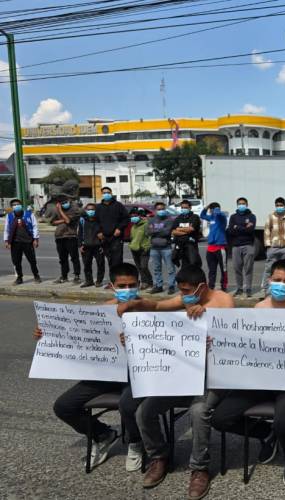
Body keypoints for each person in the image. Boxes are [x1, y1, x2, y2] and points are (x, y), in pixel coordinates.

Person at [119, 266, 234, 499]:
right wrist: (135, 305)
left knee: (198, 410)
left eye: (187, 291)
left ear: (202, 287)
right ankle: (159, 456)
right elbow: (159, 306)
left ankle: (199, 468)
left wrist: (203, 313)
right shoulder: (185, 300)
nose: (183, 295)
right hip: (182, 374)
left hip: (213, 376)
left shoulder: (224, 300)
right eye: (181, 292)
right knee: (144, 411)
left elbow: (228, 330)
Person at [211, 259, 285, 486]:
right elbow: (247, 342)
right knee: (220, 418)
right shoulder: (259, 308)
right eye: (277, 280)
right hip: (260, 378)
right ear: (269, 280)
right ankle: (264, 433)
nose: (281, 285)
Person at [34, 262, 145, 471]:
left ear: (139, 284)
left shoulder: (151, 310)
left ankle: (135, 442)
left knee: (127, 404)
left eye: (132, 285)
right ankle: (102, 434)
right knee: (64, 406)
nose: (127, 290)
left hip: (137, 374)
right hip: (106, 373)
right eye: (122, 286)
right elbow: (75, 335)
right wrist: (46, 334)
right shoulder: (103, 311)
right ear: (112, 286)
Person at [261, 197, 285, 296]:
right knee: (269, 269)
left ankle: (283, 289)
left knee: (284, 270)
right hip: (273, 247)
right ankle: (267, 290)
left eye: (281, 205)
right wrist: (268, 245)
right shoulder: (271, 216)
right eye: (277, 205)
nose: (279, 207)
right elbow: (267, 230)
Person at [3, 198, 41, 285]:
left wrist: (35, 239)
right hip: (15, 242)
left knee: (32, 260)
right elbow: (7, 229)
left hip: (27, 241)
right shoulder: (9, 216)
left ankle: (36, 276)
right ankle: (19, 278)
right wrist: (7, 241)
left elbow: (35, 227)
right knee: (16, 261)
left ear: (21, 205)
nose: (16, 206)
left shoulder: (29, 214)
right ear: (12, 207)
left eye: (18, 204)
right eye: (14, 205)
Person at [227, 197, 256, 297]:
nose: (241, 205)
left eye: (243, 203)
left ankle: (248, 288)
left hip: (248, 245)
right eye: (239, 203)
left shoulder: (252, 216)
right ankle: (239, 288)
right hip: (236, 246)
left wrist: (237, 227)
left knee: (248, 268)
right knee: (237, 268)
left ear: (247, 205)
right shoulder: (233, 217)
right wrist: (244, 227)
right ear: (237, 205)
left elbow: (250, 230)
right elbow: (231, 231)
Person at [95, 186, 129, 272]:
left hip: (116, 237)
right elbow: (96, 221)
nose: (106, 194)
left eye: (108, 192)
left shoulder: (118, 205)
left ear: (111, 193)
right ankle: (113, 280)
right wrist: (98, 231)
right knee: (110, 259)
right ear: (102, 194)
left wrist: (119, 228)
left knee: (117, 259)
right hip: (104, 238)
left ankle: (118, 280)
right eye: (104, 193)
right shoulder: (98, 207)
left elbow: (126, 218)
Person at [146, 202, 177, 295]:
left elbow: (167, 232)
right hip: (154, 248)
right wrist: (160, 231)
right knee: (156, 268)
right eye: (159, 209)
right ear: (155, 210)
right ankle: (158, 286)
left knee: (170, 268)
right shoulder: (151, 220)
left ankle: (171, 286)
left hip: (166, 247)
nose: (161, 211)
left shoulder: (169, 220)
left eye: (162, 209)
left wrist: (155, 231)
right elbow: (148, 232)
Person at [52, 199, 82, 284]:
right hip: (59, 237)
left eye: (65, 202)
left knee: (74, 258)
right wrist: (63, 219)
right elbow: (53, 222)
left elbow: (68, 221)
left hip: (70, 236)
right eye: (62, 203)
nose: (64, 204)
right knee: (62, 258)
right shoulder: (57, 211)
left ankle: (77, 276)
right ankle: (64, 276)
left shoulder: (74, 210)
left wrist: (61, 211)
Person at [200, 202, 228, 291]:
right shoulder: (211, 217)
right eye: (211, 209)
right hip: (210, 248)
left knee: (223, 269)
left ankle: (224, 286)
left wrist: (216, 209)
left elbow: (220, 214)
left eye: (213, 209)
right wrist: (206, 208)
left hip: (220, 247)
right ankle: (211, 286)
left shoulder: (222, 218)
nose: (212, 211)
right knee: (212, 270)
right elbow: (202, 215)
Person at [78, 203, 105, 287]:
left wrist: (103, 243)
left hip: (98, 246)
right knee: (86, 265)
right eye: (88, 209)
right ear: (86, 210)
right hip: (86, 246)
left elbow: (105, 233)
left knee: (100, 264)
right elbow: (79, 233)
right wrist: (80, 245)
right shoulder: (82, 220)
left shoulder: (100, 220)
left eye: (92, 209)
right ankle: (89, 281)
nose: (90, 211)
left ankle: (99, 281)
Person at [172, 199, 203, 269]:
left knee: (193, 264)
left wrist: (179, 229)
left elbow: (191, 229)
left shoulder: (195, 217)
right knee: (184, 266)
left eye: (185, 208)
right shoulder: (178, 218)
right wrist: (186, 233)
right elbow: (173, 231)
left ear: (190, 208)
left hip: (191, 245)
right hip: (181, 245)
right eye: (182, 208)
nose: (183, 209)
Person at [128, 207, 153, 290]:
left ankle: (150, 282)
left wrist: (147, 247)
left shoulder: (146, 224)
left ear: (139, 216)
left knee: (144, 266)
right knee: (139, 267)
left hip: (143, 249)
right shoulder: (133, 227)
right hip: (134, 249)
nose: (133, 218)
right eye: (131, 216)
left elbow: (150, 236)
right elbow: (132, 237)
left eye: (134, 216)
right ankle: (144, 282)